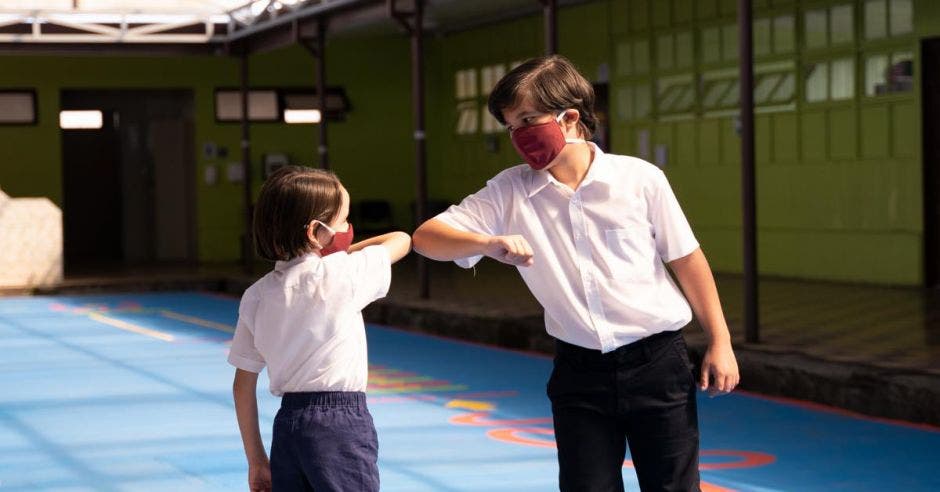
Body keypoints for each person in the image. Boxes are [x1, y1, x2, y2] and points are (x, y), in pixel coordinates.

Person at [412, 55, 739, 491]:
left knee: (673, 487)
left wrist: (721, 340)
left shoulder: (640, 180)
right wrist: (485, 243)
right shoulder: (510, 191)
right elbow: (426, 238)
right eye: (511, 126)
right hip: (579, 371)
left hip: (658, 363)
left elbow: (686, 259)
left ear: (569, 118)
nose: (519, 136)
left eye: (528, 119)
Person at [228, 165, 411, 492]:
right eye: (343, 221)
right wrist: (344, 253)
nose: (348, 229)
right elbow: (402, 239)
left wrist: (257, 460)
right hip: (340, 425)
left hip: (287, 427)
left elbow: (243, 385)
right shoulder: (343, 273)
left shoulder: (256, 295)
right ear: (316, 232)